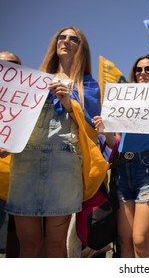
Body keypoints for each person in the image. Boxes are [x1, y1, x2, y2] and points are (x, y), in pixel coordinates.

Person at [3, 27, 103, 258]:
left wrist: (69, 101)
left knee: (56, 245)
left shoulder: (87, 85)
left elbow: (91, 128)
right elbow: (10, 116)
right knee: (27, 243)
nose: (66, 41)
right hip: (25, 161)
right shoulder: (31, 80)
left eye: (73, 39)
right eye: (62, 37)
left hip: (64, 163)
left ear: (81, 48)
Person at [95, 54, 149, 258]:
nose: (143, 73)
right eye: (138, 70)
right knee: (124, 241)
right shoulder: (124, 100)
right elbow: (114, 142)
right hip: (122, 167)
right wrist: (105, 130)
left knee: (140, 240)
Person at [0, 51, 22, 258]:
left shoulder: (29, 102)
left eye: (12, 64)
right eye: (2, 64)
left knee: (14, 244)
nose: (7, 67)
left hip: (17, 186)